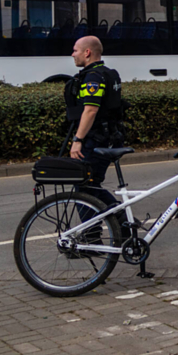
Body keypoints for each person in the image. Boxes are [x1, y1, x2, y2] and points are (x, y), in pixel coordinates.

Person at [66, 36, 124, 219]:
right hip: (107, 136)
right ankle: (121, 223)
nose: (72, 54)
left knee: (85, 187)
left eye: (75, 50)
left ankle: (96, 233)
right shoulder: (108, 73)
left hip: (96, 140)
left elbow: (91, 110)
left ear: (87, 53)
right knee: (90, 185)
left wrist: (78, 139)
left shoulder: (93, 77)